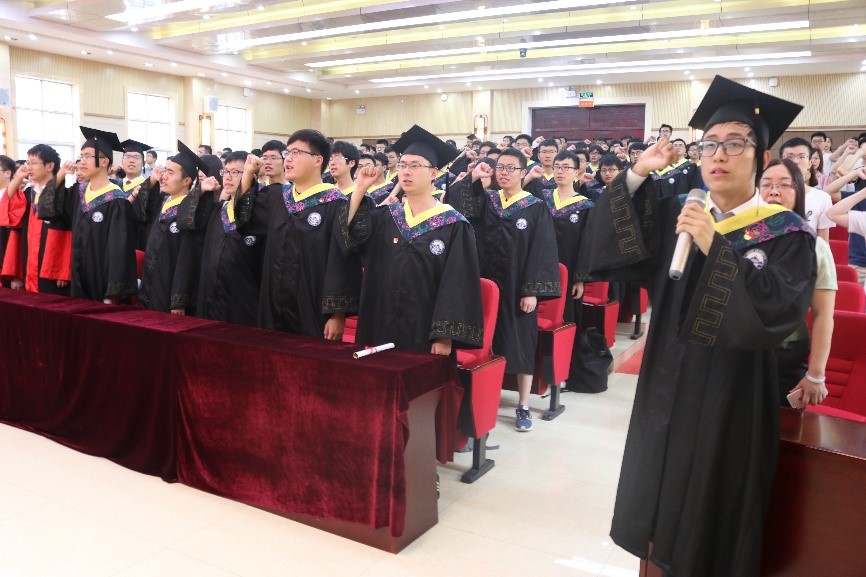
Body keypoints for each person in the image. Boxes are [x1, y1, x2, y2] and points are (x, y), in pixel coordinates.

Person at [582, 75, 815, 577]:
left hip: (732, 396)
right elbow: (621, 253)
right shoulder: (681, 213)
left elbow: (778, 314)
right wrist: (636, 175)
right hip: (666, 382)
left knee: (713, 515)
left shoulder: (788, 234)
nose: (718, 155)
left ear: (761, 157)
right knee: (658, 505)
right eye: (710, 143)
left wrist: (716, 245)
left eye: (734, 144)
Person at [343, 124, 483, 354]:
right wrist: (360, 188)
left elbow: (457, 284)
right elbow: (347, 234)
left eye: (415, 166)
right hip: (380, 324)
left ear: (434, 173)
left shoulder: (454, 225)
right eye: (402, 165)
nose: (406, 172)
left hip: (425, 332)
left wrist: (444, 336)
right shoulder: (386, 217)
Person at [450, 147, 560, 432]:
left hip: (516, 288)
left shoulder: (535, 207)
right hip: (485, 286)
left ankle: (523, 405)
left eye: (511, 168)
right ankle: (481, 399)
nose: (505, 172)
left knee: (521, 343)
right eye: (501, 167)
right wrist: (473, 178)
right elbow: (457, 204)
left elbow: (542, 250)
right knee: (482, 341)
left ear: (523, 172)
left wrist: (532, 290)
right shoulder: (487, 201)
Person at [235, 129, 361, 338]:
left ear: (318, 160)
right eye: (287, 153)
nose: (288, 159)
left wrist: (337, 315)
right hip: (272, 304)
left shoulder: (335, 204)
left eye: (296, 153)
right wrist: (248, 173)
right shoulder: (277, 197)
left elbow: (341, 260)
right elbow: (244, 219)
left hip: (311, 307)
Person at [759, 158, 834, 407]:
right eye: (766, 184)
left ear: (799, 192)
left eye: (784, 184)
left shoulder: (814, 246)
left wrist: (816, 374)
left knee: (779, 425)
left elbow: (823, 314)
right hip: (735, 350)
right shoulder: (738, 238)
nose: (774, 191)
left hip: (785, 352)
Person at [39, 127, 138, 303]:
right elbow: (48, 209)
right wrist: (61, 173)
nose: (81, 161)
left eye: (88, 156)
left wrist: (113, 294)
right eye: (81, 156)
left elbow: (119, 250)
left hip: (102, 286)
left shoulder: (116, 200)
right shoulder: (79, 193)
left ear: (105, 161)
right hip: (77, 280)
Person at [542, 150, 594, 390]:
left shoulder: (585, 206)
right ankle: (540, 371)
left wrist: (580, 278)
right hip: (541, 270)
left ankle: (562, 372)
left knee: (566, 319)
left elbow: (587, 244)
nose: (560, 171)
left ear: (577, 172)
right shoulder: (541, 199)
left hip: (570, 272)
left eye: (566, 167)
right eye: (557, 166)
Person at [139, 141, 210, 314]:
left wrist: (179, 300)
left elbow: (188, 259)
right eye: (165, 171)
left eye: (170, 173)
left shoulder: (190, 214)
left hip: (169, 290)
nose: (164, 176)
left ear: (186, 180)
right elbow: (138, 212)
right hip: (150, 284)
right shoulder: (163, 202)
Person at [18, 144, 72, 295]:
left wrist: (63, 270)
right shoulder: (29, 194)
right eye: (28, 163)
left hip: (53, 269)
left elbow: (68, 233)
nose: (29, 167)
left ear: (50, 166)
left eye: (34, 163)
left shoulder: (64, 195)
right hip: (30, 265)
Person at [779, 137, 834, 241]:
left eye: (801, 156)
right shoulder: (769, 195)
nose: (795, 161)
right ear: (781, 162)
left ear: (809, 163)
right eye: (789, 157)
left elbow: (823, 243)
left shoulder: (822, 198)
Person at [0, 155, 27, 289]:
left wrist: (16, 274)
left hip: (6, 259)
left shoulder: (18, 196)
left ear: (7, 173)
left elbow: (17, 235)